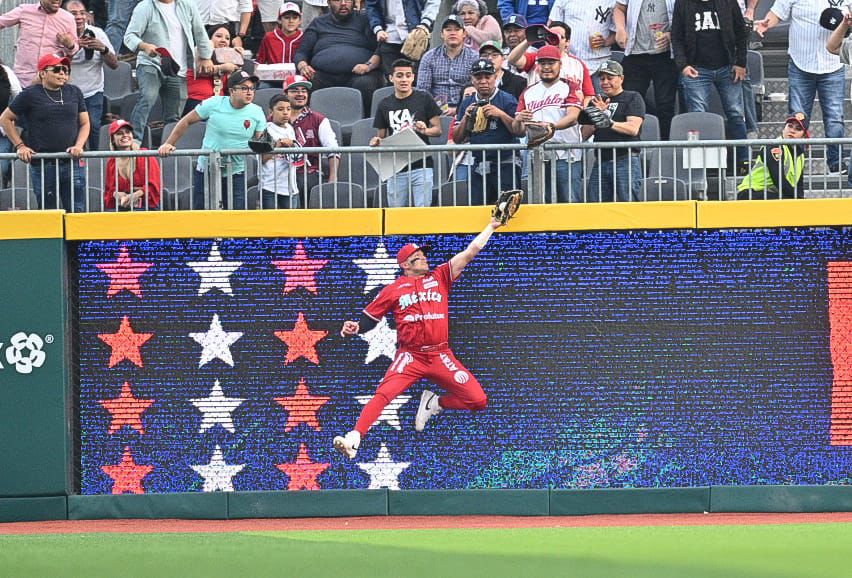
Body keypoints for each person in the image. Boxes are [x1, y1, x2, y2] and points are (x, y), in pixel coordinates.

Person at [332, 216, 505, 460]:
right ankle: (354, 437)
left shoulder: (440, 277)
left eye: (424, 255)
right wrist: (355, 328)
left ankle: (435, 404)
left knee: (478, 400)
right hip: (411, 355)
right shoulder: (393, 289)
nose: (424, 258)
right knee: (384, 394)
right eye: (418, 256)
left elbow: (470, 252)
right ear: (405, 264)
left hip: (439, 353)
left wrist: (491, 227)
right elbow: (370, 319)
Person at [757, 0, 849, 174]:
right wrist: (766, 24)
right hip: (801, 63)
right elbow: (777, 12)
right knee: (797, 118)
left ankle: (836, 163)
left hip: (833, 64)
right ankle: (794, 162)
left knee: (835, 117)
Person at [158, 70, 266, 210]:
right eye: (244, 88)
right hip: (206, 169)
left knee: (236, 214)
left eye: (252, 88)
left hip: (236, 171)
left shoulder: (257, 111)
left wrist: (276, 145)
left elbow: (262, 142)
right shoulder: (214, 103)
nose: (249, 92)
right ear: (232, 90)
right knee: (202, 212)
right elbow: (186, 121)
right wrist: (168, 143)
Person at [0, 54, 89, 213]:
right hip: (43, 164)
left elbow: (85, 123)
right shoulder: (30, 94)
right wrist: (20, 146)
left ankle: (76, 240)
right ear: (42, 73)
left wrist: (79, 145)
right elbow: (5, 119)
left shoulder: (74, 92)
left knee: (77, 211)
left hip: (72, 162)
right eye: (57, 69)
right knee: (48, 213)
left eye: (66, 70)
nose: (62, 73)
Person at [671, 0, 749, 171]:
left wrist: (741, 63)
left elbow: (741, 33)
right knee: (698, 117)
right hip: (696, 69)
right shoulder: (683, 3)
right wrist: (683, 65)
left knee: (735, 113)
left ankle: (744, 160)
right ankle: (701, 166)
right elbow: (676, 37)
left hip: (727, 67)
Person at [123, 0, 213, 142]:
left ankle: (169, 147)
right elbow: (129, 36)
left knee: (173, 115)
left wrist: (206, 56)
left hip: (177, 69)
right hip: (150, 63)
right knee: (147, 97)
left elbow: (200, 32)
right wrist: (144, 46)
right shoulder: (145, 7)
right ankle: (134, 143)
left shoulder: (187, 5)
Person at [512, 45, 583, 203]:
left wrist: (551, 127)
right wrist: (518, 120)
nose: (546, 67)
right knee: (540, 204)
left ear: (560, 64)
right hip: (538, 157)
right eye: (542, 63)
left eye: (551, 63)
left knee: (570, 203)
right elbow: (518, 131)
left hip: (566, 156)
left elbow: (573, 117)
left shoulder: (570, 87)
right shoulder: (529, 92)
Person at [371, 58, 442, 207]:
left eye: (408, 75)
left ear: (413, 77)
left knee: (422, 213)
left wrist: (425, 130)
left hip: (422, 164)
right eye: (399, 75)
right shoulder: (384, 104)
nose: (404, 79)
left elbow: (437, 130)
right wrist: (376, 141)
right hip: (396, 166)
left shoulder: (424, 98)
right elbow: (381, 136)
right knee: (396, 215)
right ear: (391, 78)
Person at [294, 0, 385, 115]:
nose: (343, 3)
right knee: (305, 82)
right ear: (328, 2)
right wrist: (303, 66)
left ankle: (367, 123)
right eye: (337, 0)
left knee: (366, 83)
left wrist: (368, 66)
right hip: (323, 75)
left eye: (347, 0)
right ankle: (307, 123)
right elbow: (301, 53)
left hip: (359, 75)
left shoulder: (365, 20)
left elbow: (380, 48)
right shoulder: (318, 23)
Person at [453, 58, 520, 206]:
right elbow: (457, 138)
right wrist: (465, 118)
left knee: (507, 209)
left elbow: (519, 131)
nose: (483, 81)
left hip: (505, 163)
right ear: (472, 79)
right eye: (478, 77)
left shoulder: (507, 100)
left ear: (495, 77)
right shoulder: (467, 103)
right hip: (479, 164)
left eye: (487, 77)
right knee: (477, 209)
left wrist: (501, 114)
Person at [580, 59, 645, 202]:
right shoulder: (596, 101)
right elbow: (584, 134)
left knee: (629, 204)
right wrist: (593, 116)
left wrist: (607, 120)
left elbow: (633, 129)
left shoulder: (633, 97)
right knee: (596, 206)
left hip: (625, 159)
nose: (605, 82)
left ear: (621, 78)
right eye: (602, 78)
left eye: (610, 78)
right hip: (601, 160)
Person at [612, 0, 677, 140]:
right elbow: (619, 8)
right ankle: (632, 148)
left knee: (665, 105)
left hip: (665, 55)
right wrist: (621, 29)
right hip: (635, 53)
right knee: (630, 102)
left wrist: (672, 34)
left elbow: (686, 14)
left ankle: (665, 146)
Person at [66, 0, 118, 151]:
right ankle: (73, 164)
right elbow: (53, 66)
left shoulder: (98, 33)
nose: (79, 17)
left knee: (94, 126)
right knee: (71, 130)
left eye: (82, 13)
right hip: (68, 93)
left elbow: (114, 64)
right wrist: (74, 48)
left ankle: (94, 161)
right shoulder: (60, 34)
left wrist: (103, 49)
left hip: (93, 91)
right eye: (74, 13)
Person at [285, 74, 341, 204]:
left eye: (304, 91)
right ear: (285, 94)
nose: (300, 94)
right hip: (280, 171)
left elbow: (333, 149)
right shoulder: (272, 120)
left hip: (308, 172)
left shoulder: (319, 119)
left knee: (304, 181)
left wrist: (333, 178)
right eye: (295, 91)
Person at [0, 0, 78, 86]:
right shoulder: (24, 11)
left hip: (51, 82)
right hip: (22, 80)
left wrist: (70, 45)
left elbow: (74, 49)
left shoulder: (68, 18)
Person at [508, 22, 595, 97]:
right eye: (550, 35)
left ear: (567, 42)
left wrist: (577, 113)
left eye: (560, 37)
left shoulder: (578, 64)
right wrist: (529, 40)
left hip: (570, 112)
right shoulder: (535, 58)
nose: (554, 39)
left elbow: (588, 95)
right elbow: (512, 60)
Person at [416, 15, 479, 116]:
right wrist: (436, 110)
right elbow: (423, 90)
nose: (452, 33)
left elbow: (478, 88)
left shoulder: (474, 57)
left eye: (457, 29)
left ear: (464, 34)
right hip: (435, 111)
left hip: (467, 110)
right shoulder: (429, 57)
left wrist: (459, 110)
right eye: (448, 30)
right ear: (442, 34)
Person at [548, 0, 616, 92]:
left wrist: (606, 42)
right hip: (569, 63)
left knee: (600, 103)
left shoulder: (613, 2)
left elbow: (620, 33)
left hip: (600, 64)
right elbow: (552, 27)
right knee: (568, 101)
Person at [737, 112, 807, 200]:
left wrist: (801, 200)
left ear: (804, 136)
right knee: (789, 200)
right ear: (783, 128)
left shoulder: (800, 155)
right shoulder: (774, 146)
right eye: (790, 126)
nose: (792, 131)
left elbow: (799, 185)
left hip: (769, 193)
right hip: (751, 193)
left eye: (798, 128)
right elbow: (778, 179)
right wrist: (797, 199)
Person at [366, 0, 440, 76]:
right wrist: (378, 28)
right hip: (389, 37)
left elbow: (433, 3)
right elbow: (371, 6)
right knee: (391, 81)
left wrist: (425, 24)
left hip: (416, 38)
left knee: (418, 79)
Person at [183, 25, 243, 115]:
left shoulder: (228, 58)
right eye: (218, 36)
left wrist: (238, 59)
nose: (223, 40)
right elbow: (201, 70)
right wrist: (222, 68)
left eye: (227, 38)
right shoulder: (198, 50)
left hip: (220, 103)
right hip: (197, 101)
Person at [104, 119, 161, 210]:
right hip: (121, 207)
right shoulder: (111, 161)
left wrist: (136, 195)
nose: (125, 135)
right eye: (119, 133)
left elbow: (154, 185)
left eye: (128, 132)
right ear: (113, 140)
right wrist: (117, 194)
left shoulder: (145, 155)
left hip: (145, 206)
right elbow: (109, 189)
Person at [259, 94, 301, 209]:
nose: (285, 112)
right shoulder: (265, 129)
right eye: (280, 109)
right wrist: (277, 146)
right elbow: (262, 158)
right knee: (270, 223)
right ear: (271, 111)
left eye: (288, 109)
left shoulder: (290, 128)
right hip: (270, 186)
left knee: (290, 223)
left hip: (290, 186)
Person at [256, 2, 304, 68]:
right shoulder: (269, 37)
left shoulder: (304, 37)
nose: (291, 21)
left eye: (295, 18)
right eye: (287, 18)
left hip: (297, 77)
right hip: (273, 76)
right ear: (279, 20)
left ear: (300, 21)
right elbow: (259, 62)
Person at [0, 60, 22, 187]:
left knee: (2, 169)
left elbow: (19, 97)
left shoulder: (5, 71)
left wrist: (9, 118)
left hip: (2, 132)